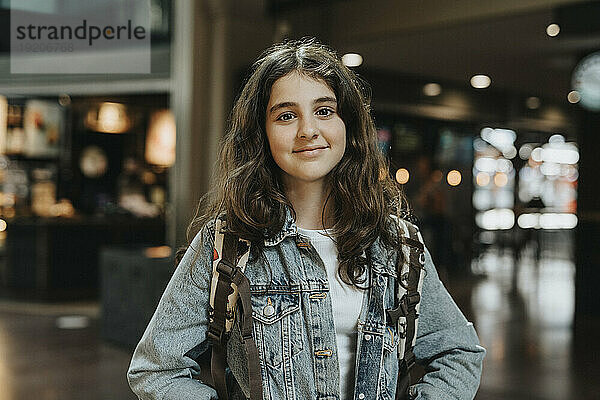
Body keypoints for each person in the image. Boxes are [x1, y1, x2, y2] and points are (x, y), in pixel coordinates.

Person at [127, 38, 485, 400]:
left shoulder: (396, 243)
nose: (308, 130)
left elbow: (459, 353)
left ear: (348, 124)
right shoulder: (227, 243)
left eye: (325, 111)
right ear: (262, 133)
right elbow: (157, 368)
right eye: (286, 115)